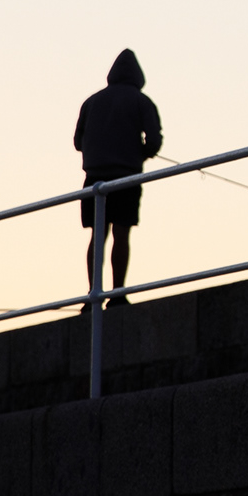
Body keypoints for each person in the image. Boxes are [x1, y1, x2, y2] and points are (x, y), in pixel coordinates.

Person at [74, 49, 161, 307]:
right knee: (122, 234)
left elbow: (78, 142)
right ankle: (118, 293)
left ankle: (93, 294)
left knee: (97, 236)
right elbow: (154, 141)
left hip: (94, 180)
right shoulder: (141, 101)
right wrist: (141, 152)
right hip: (126, 178)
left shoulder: (91, 102)